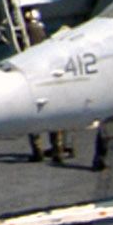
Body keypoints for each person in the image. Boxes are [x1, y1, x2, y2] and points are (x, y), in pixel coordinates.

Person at [20, 12, 73, 163]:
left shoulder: (26, 32)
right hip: (48, 77)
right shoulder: (41, 32)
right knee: (54, 114)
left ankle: (37, 151)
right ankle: (58, 150)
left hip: (31, 77)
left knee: (32, 114)